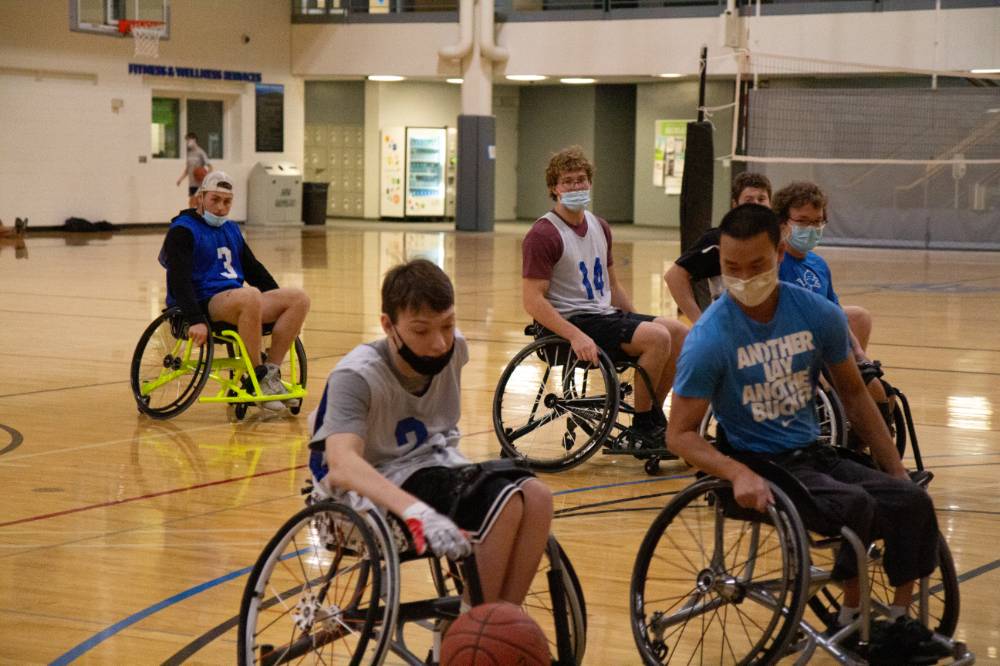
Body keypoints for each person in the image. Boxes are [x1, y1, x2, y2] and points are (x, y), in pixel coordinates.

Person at [667, 203, 944, 657]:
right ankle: (852, 617)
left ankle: (898, 620)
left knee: (910, 498)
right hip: (756, 462)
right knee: (854, 503)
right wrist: (735, 473)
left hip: (811, 454)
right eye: (730, 268)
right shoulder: (710, 338)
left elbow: (854, 397)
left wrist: (895, 469)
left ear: (779, 253)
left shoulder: (818, 315)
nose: (743, 278)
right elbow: (679, 435)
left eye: (755, 266)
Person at [308, 259, 553, 605]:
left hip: (430, 465)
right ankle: (475, 632)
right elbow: (342, 464)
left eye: (448, 325)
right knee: (505, 503)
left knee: (538, 497)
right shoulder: (356, 376)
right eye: (421, 331)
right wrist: (415, 511)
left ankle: (498, 625)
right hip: (365, 485)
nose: (439, 343)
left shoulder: (457, 350)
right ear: (388, 325)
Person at [522, 146, 687, 443]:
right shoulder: (543, 234)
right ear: (554, 189)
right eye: (568, 181)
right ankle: (643, 426)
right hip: (572, 322)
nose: (576, 186)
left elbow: (613, 286)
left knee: (676, 331)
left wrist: (635, 321)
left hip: (604, 316)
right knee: (658, 337)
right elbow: (532, 299)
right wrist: (574, 335)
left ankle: (651, 416)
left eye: (581, 179)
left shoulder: (600, 226)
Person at [158, 171, 310, 411]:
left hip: (237, 300)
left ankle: (270, 374)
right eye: (214, 200)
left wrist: (283, 310)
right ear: (201, 198)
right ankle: (256, 377)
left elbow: (254, 270)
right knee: (249, 296)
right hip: (204, 302)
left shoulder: (231, 230)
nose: (220, 208)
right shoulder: (182, 231)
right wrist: (195, 319)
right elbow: (178, 279)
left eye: (227, 202)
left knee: (298, 298)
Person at [664, 171, 772, 323]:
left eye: (761, 199)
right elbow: (674, 277)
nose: (756, 205)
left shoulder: (775, 242)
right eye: (749, 200)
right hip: (729, 326)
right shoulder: (719, 239)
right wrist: (699, 323)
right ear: (736, 205)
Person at [176, 132, 212, 208]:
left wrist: (206, 178)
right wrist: (180, 179)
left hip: (200, 183)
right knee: (193, 203)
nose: (187, 143)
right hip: (192, 183)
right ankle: (195, 218)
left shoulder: (201, 152)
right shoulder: (189, 153)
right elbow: (187, 169)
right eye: (186, 141)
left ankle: (197, 218)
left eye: (188, 140)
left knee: (195, 202)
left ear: (194, 140)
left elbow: (210, 167)